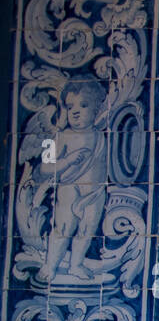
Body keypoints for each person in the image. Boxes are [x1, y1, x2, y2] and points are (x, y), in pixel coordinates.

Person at [37, 79, 109, 282]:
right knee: (63, 227)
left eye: (83, 105)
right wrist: (67, 161)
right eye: (70, 107)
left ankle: (76, 265)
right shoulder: (60, 137)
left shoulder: (100, 136)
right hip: (69, 189)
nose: (75, 112)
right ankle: (50, 266)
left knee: (87, 229)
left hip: (94, 193)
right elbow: (45, 167)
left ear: (96, 109)